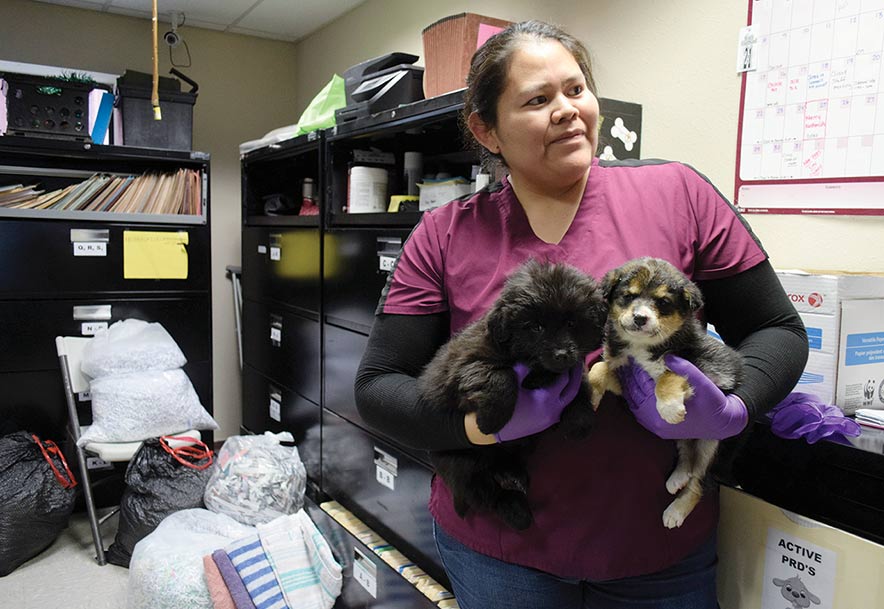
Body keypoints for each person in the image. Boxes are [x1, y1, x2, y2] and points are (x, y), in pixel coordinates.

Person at [354, 20, 807, 609]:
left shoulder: (681, 194)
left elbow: (779, 330)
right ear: (485, 129)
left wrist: (731, 410)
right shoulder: (444, 234)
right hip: (502, 548)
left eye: (576, 90)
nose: (567, 110)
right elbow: (377, 385)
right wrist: (481, 425)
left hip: (658, 549)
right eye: (538, 100)